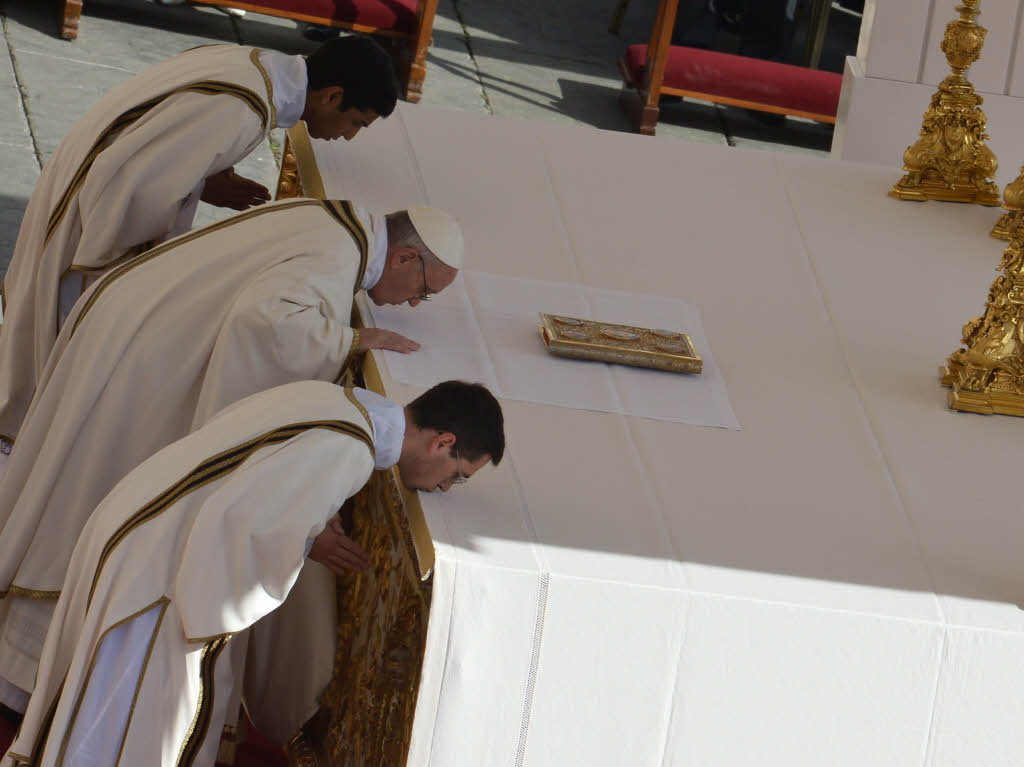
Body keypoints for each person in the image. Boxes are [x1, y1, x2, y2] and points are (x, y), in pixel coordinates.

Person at [0, 198, 463, 714]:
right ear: (402, 258)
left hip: (136, 325)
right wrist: (350, 338)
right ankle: (26, 671)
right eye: (423, 291)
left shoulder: (335, 220)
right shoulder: (334, 262)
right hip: (144, 367)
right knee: (88, 494)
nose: (415, 303)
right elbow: (263, 324)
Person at [2, 378, 505, 767]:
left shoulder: (345, 402)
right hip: (158, 575)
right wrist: (308, 539)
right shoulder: (350, 452)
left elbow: (263, 471)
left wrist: (308, 517)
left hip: (138, 521)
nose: (443, 489)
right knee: (124, 715)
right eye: (456, 477)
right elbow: (244, 527)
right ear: (442, 441)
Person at [0, 35, 399, 456]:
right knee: (73, 357)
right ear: (332, 95)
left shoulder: (253, 64)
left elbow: (155, 142)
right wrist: (159, 274)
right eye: (356, 122)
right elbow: (134, 191)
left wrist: (201, 178)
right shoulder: (241, 108)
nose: (350, 137)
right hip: (93, 227)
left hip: (77, 176)